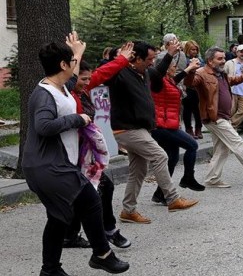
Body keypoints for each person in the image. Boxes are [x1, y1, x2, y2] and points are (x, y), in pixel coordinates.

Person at [24, 34, 129, 275]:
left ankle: (50, 270)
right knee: (90, 199)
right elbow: (44, 126)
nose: (75, 65)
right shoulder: (44, 94)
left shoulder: (60, 87)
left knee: (59, 217)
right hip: (48, 166)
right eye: (71, 61)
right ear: (63, 65)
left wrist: (76, 52)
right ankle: (102, 255)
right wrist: (77, 119)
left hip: (50, 165)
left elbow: (72, 78)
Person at [106, 40, 199, 224]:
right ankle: (172, 198)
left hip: (139, 128)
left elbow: (158, 74)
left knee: (138, 171)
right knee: (160, 156)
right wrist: (118, 60)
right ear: (135, 58)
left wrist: (170, 54)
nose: (151, 62)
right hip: (127, 128)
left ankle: (128, 211)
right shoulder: (120, 73)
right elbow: (106, 73)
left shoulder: (144, 74)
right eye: (149, 59)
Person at [64, 44, 135, 250]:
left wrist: (122, 59)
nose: (87, 83)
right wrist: (76, 54)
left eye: (88, 79)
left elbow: (102, 74)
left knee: (85, 193)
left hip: (85, 153)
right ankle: (108, 231)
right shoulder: (66, 93)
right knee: (103, 187)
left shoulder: (83, 89)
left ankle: (69, 235)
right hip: (72, 154)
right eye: (83, 79)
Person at [184, 47, 243, 188]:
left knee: (222, 149)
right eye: (219, 59)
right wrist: (190, 70)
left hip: (223, 116)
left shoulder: (221, 73)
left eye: (224, 58)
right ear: (209, 61)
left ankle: (212, 179)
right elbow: (190, 83)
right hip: (214, 117)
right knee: (237, 142)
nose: (223, 61)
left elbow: (232, 80)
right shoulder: (201, 73)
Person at [150, 54, 206, 206]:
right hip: (162, 125)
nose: (175, 67)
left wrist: (189, 69)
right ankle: (188, 178)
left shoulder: (168, 80)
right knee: (192, 145)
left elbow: (176, 80)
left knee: (172, 158)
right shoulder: (158, 81)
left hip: (169, 124)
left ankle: (160, 193)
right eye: (173, 65)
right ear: (165, 67)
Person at [225, 44, 243, 128]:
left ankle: (230, 126)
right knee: (230, 111)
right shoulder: (230, 63)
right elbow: (223, 75)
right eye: (241, 52)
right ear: (237, 52)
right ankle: (229, 129)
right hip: (232, 90)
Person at [182, 40, 205, 139]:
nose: (194, 51)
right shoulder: (184, 59)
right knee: (187, 108)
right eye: (192, 49)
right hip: (187, 87)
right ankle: (188, 129)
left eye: (196, 49)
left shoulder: (200, 59)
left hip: (198, 87)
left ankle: (198, 128)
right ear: (187, 49)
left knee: (198, 109)